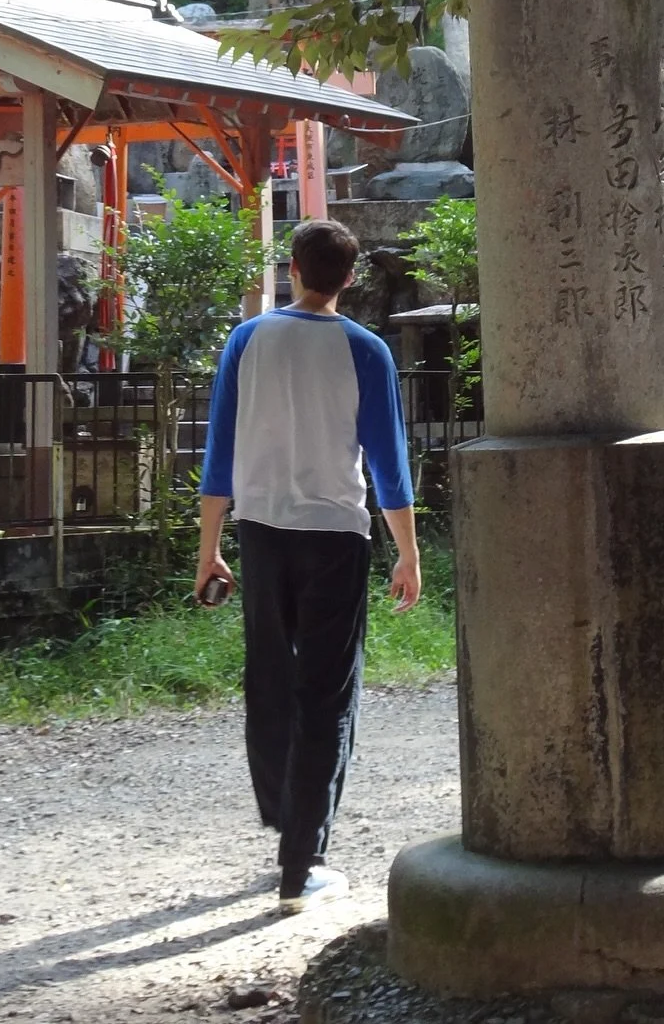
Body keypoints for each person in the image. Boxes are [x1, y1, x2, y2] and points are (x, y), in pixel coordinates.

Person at [195, 216, 420, 915]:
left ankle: (282, 812)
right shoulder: (367, 350)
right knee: (327, 690)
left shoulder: (248, 339)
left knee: (268, 675)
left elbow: (219, 450)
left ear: (292, 266)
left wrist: (209, 547)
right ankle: (301, 859)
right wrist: (408, 550)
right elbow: (387, 461)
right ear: (349, 279)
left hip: (261, 529)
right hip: (334, 535)